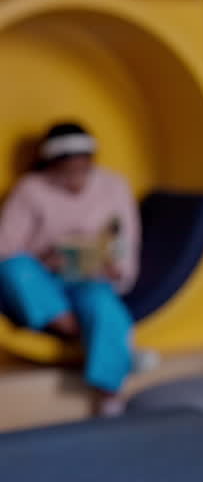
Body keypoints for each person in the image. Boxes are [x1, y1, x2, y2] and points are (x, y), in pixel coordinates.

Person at [0, 122, 142, 416]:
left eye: (82, 169)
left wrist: (114, 267)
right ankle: (90, 336)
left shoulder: (114, 187)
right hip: (45, 279)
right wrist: (44, 258)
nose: (75, 179)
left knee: (103, 305)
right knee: (15, 269)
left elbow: (126, 241)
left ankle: (110, 396)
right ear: (51, 165)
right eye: (67, 172)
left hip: (92, 278)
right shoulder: (30, 189)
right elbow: (5, 247)